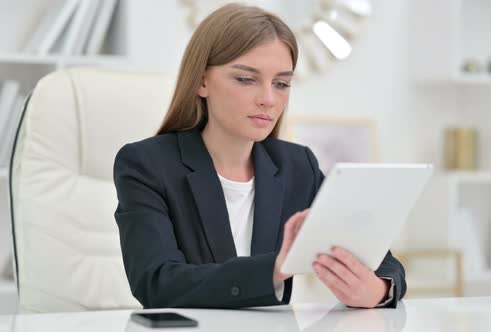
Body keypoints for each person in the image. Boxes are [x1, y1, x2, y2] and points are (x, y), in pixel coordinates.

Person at [113, 3, 406, 309]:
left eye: (281, 84)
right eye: (246, 79)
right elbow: (156, 282)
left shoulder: (296, 166)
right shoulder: (146, 164)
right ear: (201, 81)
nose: (268, 99)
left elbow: (385, 265)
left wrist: (377, 290)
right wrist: (275, 269)